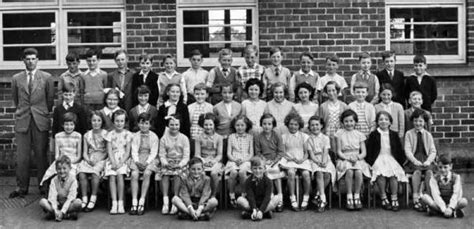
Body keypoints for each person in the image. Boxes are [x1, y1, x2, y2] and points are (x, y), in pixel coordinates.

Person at [10, 48, 55, 198]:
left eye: (33, 58)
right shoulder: (16, 78)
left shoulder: (47, 77)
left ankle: (43, 186)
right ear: (23, 60)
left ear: (37, 60)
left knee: (41, 154)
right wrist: (23, 112)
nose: (30, 61)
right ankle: (21, 187)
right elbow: (16, 100)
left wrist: (41, 113)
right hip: (23, 120)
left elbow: (49, 100)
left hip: (40, 119)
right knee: (22, 156)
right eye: (27, 59)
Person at [365, 111, 406, 211]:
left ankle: (394, 197)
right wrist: (370, 163)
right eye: (381, 119)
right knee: (381, 174)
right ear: (377, 122)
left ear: (390, 122)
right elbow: (369, 150)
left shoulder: (394, 134)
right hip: (378, 158)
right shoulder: (374, 134)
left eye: (386, 119)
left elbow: (399, 149)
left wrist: (400, 162)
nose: (383, 121)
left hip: (391, 157)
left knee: (393, 175)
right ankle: (383, 197)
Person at [335, 109, 371, 210]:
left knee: (359, 172)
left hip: (357, 158)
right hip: (344, 158)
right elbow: (339, 151)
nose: (349, 123)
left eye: (351, 121)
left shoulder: (359, 134)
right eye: (346, 121)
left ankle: (357, 195)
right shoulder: (339, 134)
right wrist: (347, 158)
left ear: (355, 122)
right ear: (342, 122)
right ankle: (349, 196)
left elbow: (364, 152)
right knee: (349, 171)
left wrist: (357, 157)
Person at [404, 108, 436, 212]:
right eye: (416, 121)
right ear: (412, 121)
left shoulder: (428, 135)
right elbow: (407, 150)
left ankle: (429, 198)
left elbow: (433, 151)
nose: (418, 123)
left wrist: (429, 161)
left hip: (426, 159)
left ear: (425, 122)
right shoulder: (409, 134)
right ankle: (415, 198)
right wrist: (414, 161)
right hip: (414, 160)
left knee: (429, 172)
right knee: (417, 172)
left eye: (421, 121)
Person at [158, 114, 191, 215]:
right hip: (168, 162)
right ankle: (165, 201)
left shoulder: (184, 138)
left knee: (177, 174)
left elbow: (186, 156)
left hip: (180, 163)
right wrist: (165, 163)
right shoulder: (164, 139)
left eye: (176, 124)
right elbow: (162, 155)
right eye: (172, 124)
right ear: (168, 125)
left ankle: (175, 201)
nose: (174, 127)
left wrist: (180, 164)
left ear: (180, 125)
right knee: (165, 174)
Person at [279, 113, 312, 211]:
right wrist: (290, 158)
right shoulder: (284, 136)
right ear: (287, 124)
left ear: (299, 126)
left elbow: (306, 153)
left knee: (306, 174)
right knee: (291, 173)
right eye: (291, 124)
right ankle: (292, 197)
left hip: (301, 160)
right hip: (289, 159)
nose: (293, 126)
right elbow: (283, 152)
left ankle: (306, 197)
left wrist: (302, 159)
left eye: (296, 124)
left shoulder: (304, 136)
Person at [77, 111, 108, 212]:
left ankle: (93, 198)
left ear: (102, 121)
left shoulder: (105, 134)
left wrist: (99, 159)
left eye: (99, 120)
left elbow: (107, 152)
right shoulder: (87, 135)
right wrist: (87, 159)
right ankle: (84, 198)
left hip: (101, 158)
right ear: (90, 121)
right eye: (94, 120)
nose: (96, 123)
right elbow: (85, 152)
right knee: (81, 173)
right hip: (90, 157)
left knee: (95, 173)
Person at [129, 113, 160, 216]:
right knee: (134, 175)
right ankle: (134, 202)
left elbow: (154, 152)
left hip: (150, 158)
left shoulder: (154, 136)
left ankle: (142, 200)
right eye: (141, 123)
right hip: (138, 157)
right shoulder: (135, 136)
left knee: (147, 173)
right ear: (138, 124)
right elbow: (134, 151)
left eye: (146, 123)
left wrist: (147, 162)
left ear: (150, 125)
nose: (144, 126)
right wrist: (137, 161)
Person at [40, 112, 82, 187]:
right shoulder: (58, 136)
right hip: (60, 160)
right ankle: (54, 191)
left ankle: (69, 192)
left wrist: (69, 163)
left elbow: (78, 156)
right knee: (52, 172)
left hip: (73, 162)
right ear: (63, 125)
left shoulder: (78, 136)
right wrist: (61, 162)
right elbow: (57, 155)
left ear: (75, 125)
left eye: (71, 124)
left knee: (71, 174)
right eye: (66, 124)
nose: (69, 127)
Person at [420, 154, 468, 218]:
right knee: (425, 197)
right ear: (437, 167)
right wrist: (444, 209)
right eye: (440, 167)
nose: (442, 170)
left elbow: (456, 194)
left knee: (464, 202)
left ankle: (440, 212)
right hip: (439, 203)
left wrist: (450, 207)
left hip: (451, 202)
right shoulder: (434, 178)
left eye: (445, 167)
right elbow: (436, 195)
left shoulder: (456, 177)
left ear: (450, 166)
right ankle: (450, 213)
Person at [254, 113, 285, 212]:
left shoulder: (277, 135)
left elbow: (281, 151)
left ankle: (280, 198)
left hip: (276, 159)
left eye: (269, 124)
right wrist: (264, 160)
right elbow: (258, 152)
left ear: (273, 125)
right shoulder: (258, 137)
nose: (267, 126)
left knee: (275, 171)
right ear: (261, 124)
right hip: (264, 160)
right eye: (264, 124)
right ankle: (270, 197)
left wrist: (275, 160)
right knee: (265, 171)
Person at [305, 116, 336, 212]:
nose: (315, 127)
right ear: (309, 127)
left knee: (327, 174)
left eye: (317, 125)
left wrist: (324, 161)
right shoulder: (308, 140)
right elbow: (311, 155)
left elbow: (326, 151)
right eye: (312, 125)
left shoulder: (325, 138)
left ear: (321, 125)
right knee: (318, 172)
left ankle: (317, 194)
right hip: (314, 160)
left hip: (325, 158)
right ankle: (323, 198)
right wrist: (318, 162)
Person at [104, 109, 132, 215]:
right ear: (113, 121)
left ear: (125, 122)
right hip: (112, 159)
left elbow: (128, 151)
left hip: (123, 159)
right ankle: (114, 203)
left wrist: (120, 163)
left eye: (121, 121)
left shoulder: (128, 134)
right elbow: (109, 150)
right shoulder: (110, 134)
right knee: (112, 176)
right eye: (117, 121)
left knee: (120, 175)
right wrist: (113, 162)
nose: (119, 123)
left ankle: (121, 202)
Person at [39, 156, 82, 221]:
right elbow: (52, 197)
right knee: (42, 202)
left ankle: (57, 214)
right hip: (57, 203)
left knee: (78, 202)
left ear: (70, 168)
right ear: (56, 169)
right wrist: (55, 209)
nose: (62, 171)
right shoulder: (54, 180)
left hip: (68, 204)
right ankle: (63, 215)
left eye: (64, 168)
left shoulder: (73, 180)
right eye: (59, 169)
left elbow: (71, 197)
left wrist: (62, 211)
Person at [237, 156, 279, 221]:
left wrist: (261, 211)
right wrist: (254, 208)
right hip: (252, 203)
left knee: (276, 198)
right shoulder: (248, 181)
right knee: (240, 200)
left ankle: (254, 214)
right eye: (255, 168)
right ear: (251, 169)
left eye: (260, 168)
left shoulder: (268, 181)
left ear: (264, 169)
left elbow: (267, 197)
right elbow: (250, 196)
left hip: (264, 203)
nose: (257, 171)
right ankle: (263, 214)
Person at [225, 115, 254, 207]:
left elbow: (251, 154)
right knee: (233, 172)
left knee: (242, 172)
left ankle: (243, 194)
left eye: (242, 125)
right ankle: (232, 195)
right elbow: (229, 153)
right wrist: (234, 159)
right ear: (234, 126)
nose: (240, 127)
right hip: (233, 160)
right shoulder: (231, 137)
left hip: (246, 160)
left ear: (246, 126)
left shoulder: (250, 137)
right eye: (237, 125)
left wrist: (244, 160)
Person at [194, 113, 224, 197]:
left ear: (214, 125)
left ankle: (213, 195)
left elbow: (219, 154)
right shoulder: (198, 137)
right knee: (200, 172)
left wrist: (213, 161)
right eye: (206, 124)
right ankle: (202, 195)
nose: (208, 127)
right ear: (202, 125)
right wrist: (203, 161)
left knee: (214, 173)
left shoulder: (219, 138)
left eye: (210, 124)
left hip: (215, 161)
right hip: (202, 160)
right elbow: (197, 154)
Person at [318, 81, 348, 157]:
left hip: (340, 132)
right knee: (330, 153)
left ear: (337, 91)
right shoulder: (323, 106)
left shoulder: (344, 106)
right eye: (329, 91)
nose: (331, 93)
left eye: (333, 90)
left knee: (340, 152)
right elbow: (320, 121)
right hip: (328, 132)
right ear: (326, 92)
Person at [188, 83, 213, 150]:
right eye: (197, 94)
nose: (199, 96)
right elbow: (189, 123)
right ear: (194, 94)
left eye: (202, 94)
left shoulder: (210, 107)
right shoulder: (190, 107)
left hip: (205, 138)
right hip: (193, 137)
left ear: (207, 95)